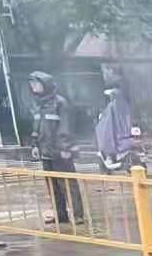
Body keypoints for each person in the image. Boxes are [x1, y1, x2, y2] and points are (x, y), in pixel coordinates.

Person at [28, 71, 85, 225]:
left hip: (60, 151)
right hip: (45, 151)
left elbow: (65, 127)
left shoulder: (60, 103)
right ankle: (61, 214)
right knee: (53, 186)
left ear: (45, 84)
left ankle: (78, 215)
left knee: (68, 184)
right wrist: (35, 145)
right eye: (31, 83)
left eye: (36, 83)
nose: (33, 86)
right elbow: (37, 126)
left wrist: (65, 148)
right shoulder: (39, 104)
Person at [95, 81, 142, 175]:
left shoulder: (112, 107)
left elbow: (106, 122)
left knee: (106, 139)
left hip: (118, 135)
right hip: (125, 133)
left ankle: (110, 157)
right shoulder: (126, 105)